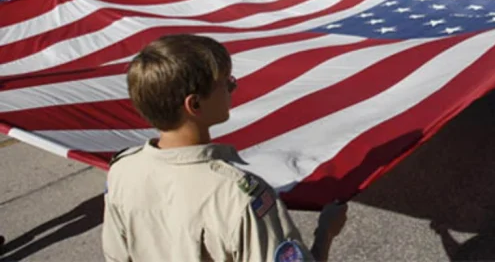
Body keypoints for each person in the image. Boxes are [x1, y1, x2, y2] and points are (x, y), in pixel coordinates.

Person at [102, 35, 347, 261]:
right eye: (225, 84)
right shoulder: (238, 196)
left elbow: (117, 256)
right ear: (195, 104)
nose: (233, 88)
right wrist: (325, 233)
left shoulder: (122, 172)